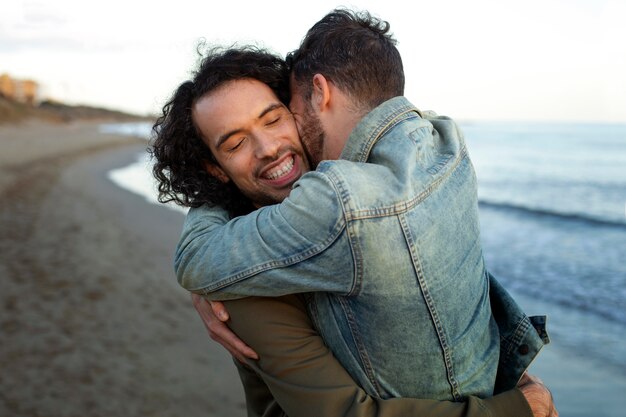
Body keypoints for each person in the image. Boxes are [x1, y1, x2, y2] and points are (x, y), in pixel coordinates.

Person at [152, 16, 554, 417]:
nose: (269, 147)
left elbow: (197, 259)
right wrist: (517, 408)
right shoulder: (445, 140)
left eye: (275, 118)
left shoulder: (341, 205)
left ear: (315, 97)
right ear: (215, 168)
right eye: (235, 143)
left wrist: (207, 265)